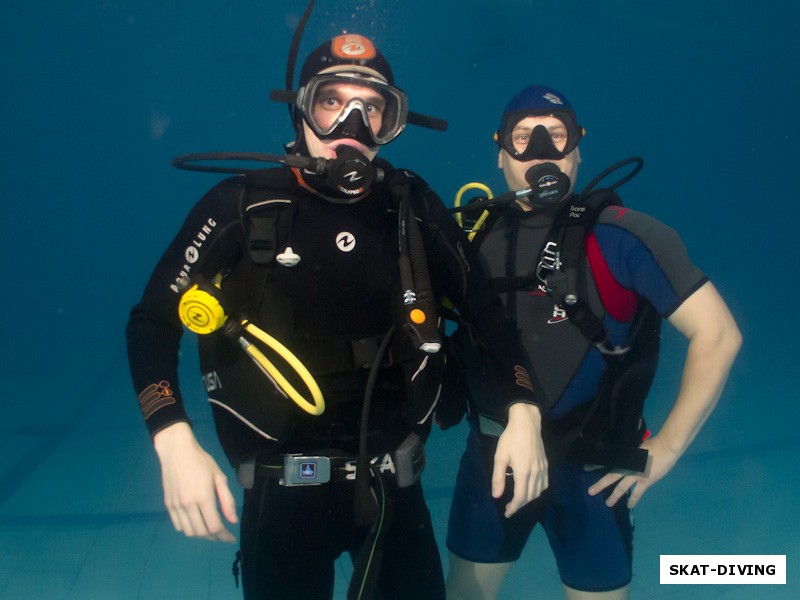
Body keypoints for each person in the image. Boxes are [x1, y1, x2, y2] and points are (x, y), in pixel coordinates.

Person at [125, 35, 548, 600]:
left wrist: (524, 411)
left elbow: (485, 315)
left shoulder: (410, 207)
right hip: (280, 496)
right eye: (332, 102)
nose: (352, 124)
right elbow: (152, 322)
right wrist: (171, 438)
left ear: (391, 121)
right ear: (302, 109)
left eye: (372, 109)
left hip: (395, 486)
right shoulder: (242, 207)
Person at [445, 85, 742, 600]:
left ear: (578, 150)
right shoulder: (468, 236)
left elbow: (718, 335)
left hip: (594, 473)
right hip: (492, 463)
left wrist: (668, 448)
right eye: (523, 137)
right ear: (500, 154)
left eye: (556, 136)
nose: (541, 149)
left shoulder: (626, 236)